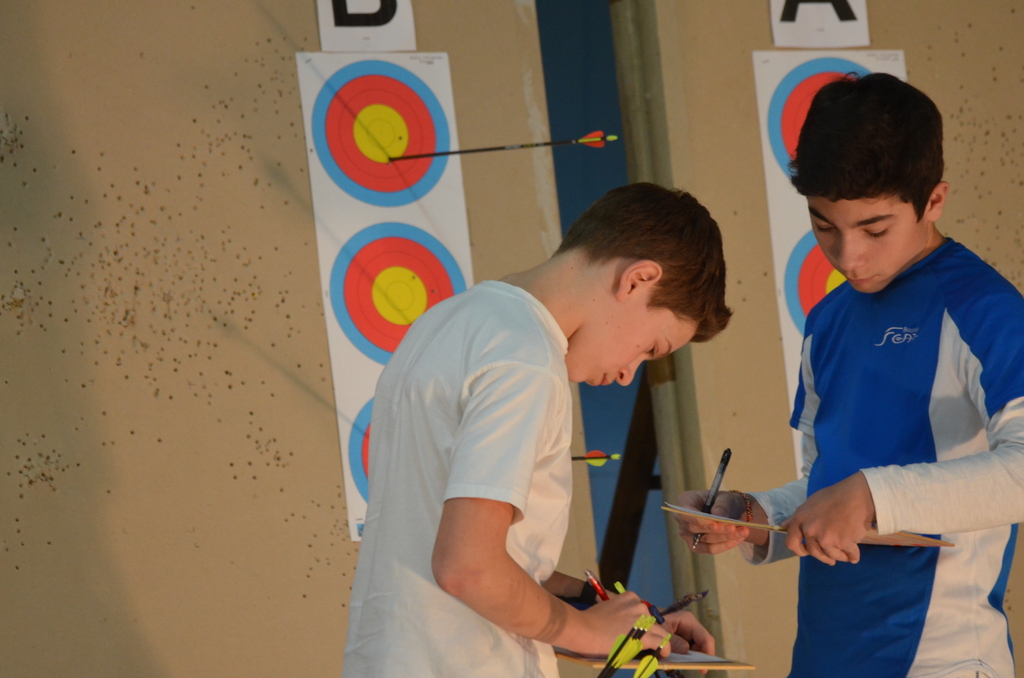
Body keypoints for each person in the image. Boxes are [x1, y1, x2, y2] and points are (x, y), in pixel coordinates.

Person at [673, 72, 1024, 678]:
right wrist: (752, 516)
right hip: (822, 656)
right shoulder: (828, 318)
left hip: (941, 659)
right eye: (824, 226)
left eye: (875, 229)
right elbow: (826, 485)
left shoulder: (985, 310)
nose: (848, 256)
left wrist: (869, 495)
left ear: (934, 201)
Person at [342, 182, 732, 678]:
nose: (627, 374)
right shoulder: (526, 361)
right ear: (637, 280)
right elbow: (468, 568)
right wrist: (586, 631)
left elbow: (474, 554)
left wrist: (622, 620)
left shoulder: (450, 321)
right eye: (650, 348)